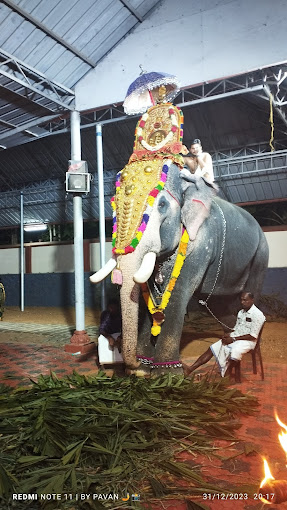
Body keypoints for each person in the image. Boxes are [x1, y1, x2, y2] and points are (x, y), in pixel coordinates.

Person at [184, 292, 265, 378]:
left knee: (235, 351)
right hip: (236, 338)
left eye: (245, 300)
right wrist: (228, 335)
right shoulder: (241, 312)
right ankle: (190, 369)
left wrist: (233, 339)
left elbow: (253, 336)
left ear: (252, 300)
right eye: (241, 300)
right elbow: (237, 329)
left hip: (248, 342)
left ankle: (226, 375)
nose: (242, 302)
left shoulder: (258, 315)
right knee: (213, 348)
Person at [98, 298, 123, 364]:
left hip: (118, 334)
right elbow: (101, 329)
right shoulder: (105, 314)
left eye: (114, 308)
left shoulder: (121, 314)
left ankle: (121, 361)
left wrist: (120, 337)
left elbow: (125, 328)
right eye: (111, 307)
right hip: (107, 334)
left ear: (118, 307)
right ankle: (105, 362)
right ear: (108, 307)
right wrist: (109, 337)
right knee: (101, 340)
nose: (112, 310)